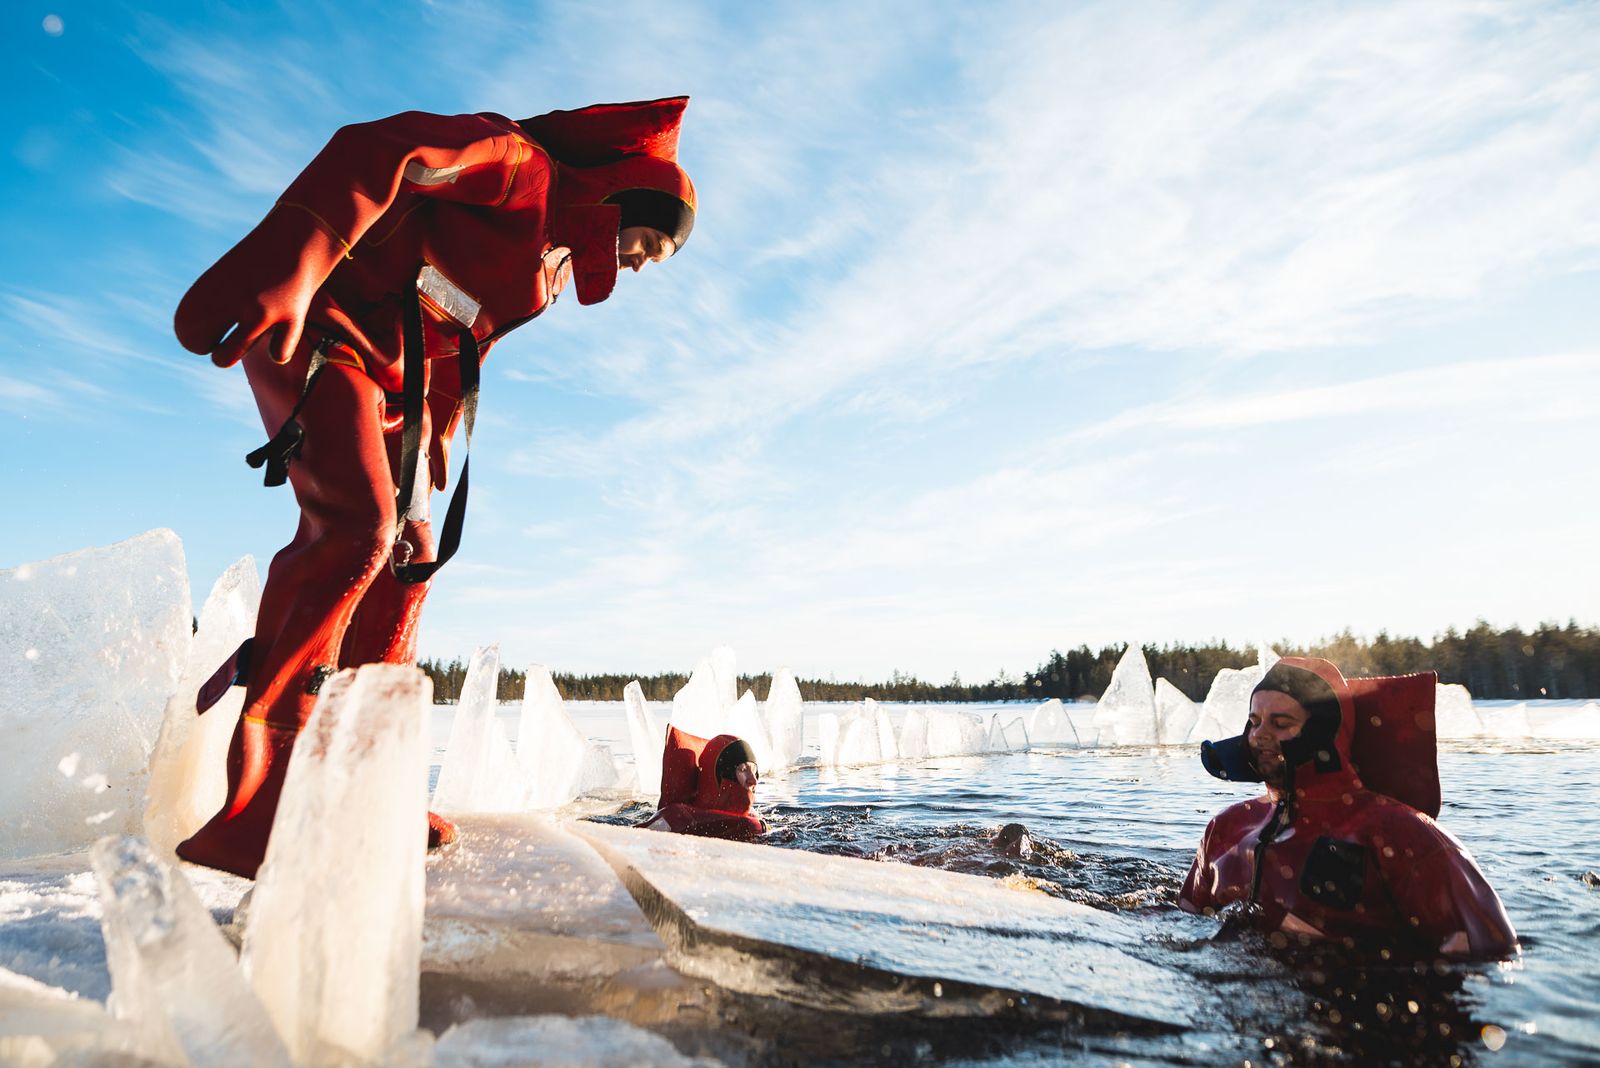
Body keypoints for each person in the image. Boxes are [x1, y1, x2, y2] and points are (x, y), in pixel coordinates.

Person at [171, 98, 697, 878]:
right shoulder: (518, 170)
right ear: (620, 195)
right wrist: (296, 260)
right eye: (653, 239)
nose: (650, 261)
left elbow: (457, 337)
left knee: (413, 552)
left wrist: (430, 439)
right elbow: (383, 152)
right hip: (315, 328)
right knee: (357, 529)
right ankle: (260, 806)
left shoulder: (547, 268)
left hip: (396, 394)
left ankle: (365, 784)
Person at [1179, 657, 1518, 959]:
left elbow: (1488, 951)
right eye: (1254, 722)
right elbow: (1183, 919)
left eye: (1281, 724)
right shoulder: (1226, 828)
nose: (1258, 736)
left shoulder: (1402, 834)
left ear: (1326, 733)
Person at [640, 727, 766, 839]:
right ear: (718, 775)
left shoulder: (753, 818)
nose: (753, 780)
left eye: (754, 771)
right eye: (743, 770)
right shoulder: (677, 817)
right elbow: (636, 838)